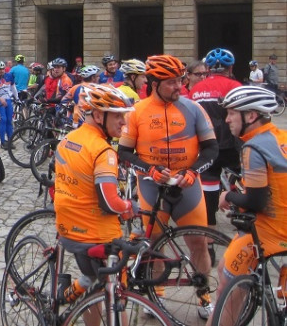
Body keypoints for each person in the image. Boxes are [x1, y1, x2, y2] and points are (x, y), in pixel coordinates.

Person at [118, 54, 219, 319]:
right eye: (172, 82)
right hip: (152, 185)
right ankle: (156, 293)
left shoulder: (193, 108)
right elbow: (124, 152)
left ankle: (203, 294)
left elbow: (211, 148)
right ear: (154, 83)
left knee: (199, 242)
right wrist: (148, 169)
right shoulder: (137, 112)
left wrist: (193, 171)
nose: (179, 87)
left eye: (180, 81)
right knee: (153, 243)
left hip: (187, 185)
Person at [54, 84, 137, 308]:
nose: (124, 123)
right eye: (118, 116)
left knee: (92, 285)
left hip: (68, 228)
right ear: (99, 115)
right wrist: (130, 205)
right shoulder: (103, 151)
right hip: (97, 235)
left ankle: (73, 293)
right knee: (116, 294)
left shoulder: (67, 140)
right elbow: (110, 202)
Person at [209, 85, 285, 326]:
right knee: (223, 267)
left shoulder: (253, 148)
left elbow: (255, 201)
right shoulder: (280, 137)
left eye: (232, 113)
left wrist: (227, 198)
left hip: (268, 233)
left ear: (250, 116)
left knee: (226, 289)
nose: (228, 119)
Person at [190, 48, 241, 228]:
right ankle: (244, 212)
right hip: (231, 144)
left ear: (208, 68)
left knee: (209, 183)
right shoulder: (235, 86)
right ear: (230, 67)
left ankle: (209, 228)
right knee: (245, 177)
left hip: (207, 146)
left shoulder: (195, 90)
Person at [0, 61, 18, 149]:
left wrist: (17, 98)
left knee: (9, 120)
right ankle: (3, 141)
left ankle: (10, 140)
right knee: (3, 120)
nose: (1, 71)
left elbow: (13, 87)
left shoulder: (9, 76)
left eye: (2, 69)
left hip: (8, 100)